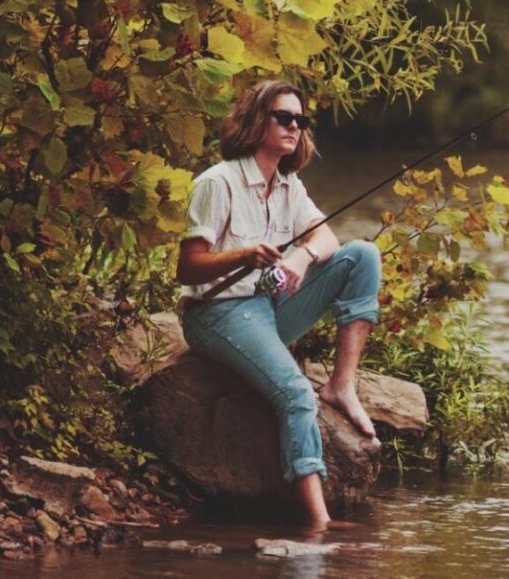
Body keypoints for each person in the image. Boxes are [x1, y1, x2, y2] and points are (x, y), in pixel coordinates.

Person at [176, 79, 380, 529]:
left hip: (268, 305)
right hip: (217, 313)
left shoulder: (289, 184)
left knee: (362, 255)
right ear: (256, 120)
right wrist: (245, 255)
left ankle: (341, 387)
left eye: (299, 120)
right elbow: (188, 269)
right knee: (294, 393)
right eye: (283, 117)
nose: (293, 127)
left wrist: (303, 258)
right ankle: (318, 521)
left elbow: (325, 235)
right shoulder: (217, 182)